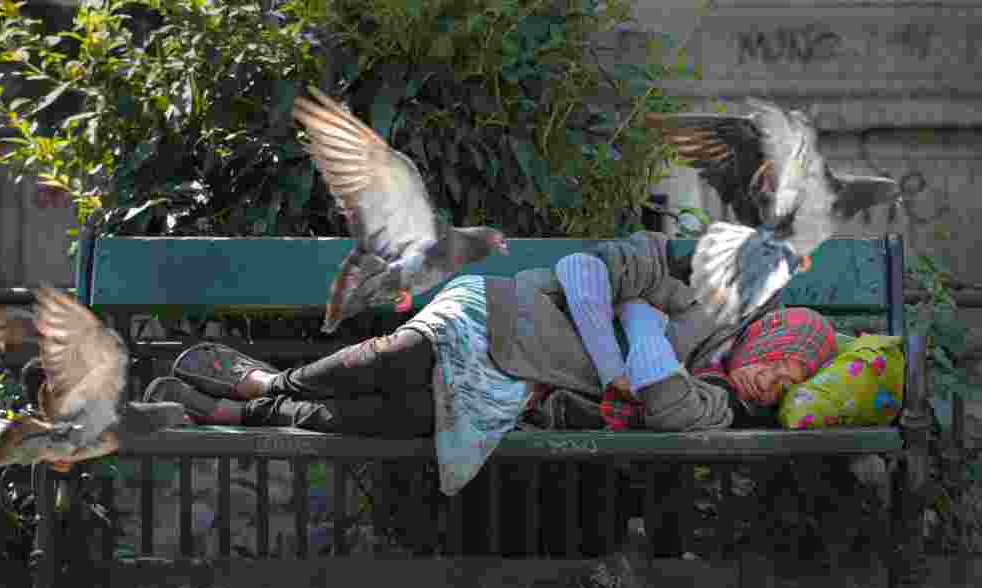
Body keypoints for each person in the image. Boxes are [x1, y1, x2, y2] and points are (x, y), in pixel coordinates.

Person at [144, 231, 839, 497]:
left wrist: (643, 324)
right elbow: (581, 269)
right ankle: (271, 384)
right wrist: (627, 330)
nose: (771, 379)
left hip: (524, 384)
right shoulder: (672, 266)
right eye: (779, 364)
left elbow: (664, 400)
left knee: (405, 418)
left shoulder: (714, 391)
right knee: (406, 353)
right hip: (500, 313)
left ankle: (255, 405)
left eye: (783, 381)